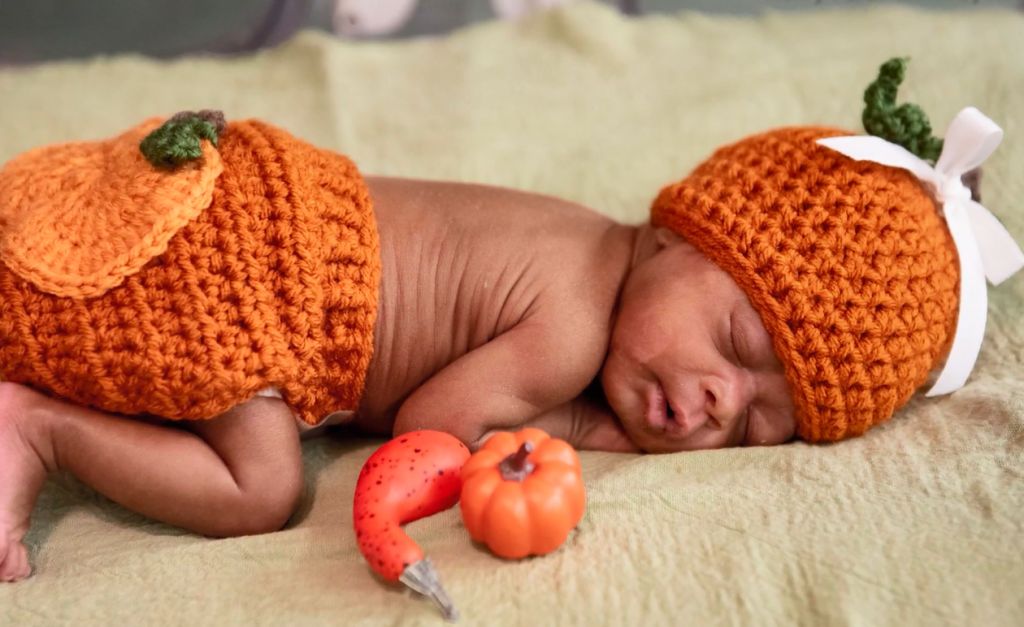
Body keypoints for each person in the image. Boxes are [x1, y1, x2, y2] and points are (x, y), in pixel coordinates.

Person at [0, 58, 1019, 582]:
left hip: (255, 210)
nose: (719, 398)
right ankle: (41, 426)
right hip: (252, 265)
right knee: (262, 489)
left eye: (758, 420)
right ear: (675, 236)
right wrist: (581, 431)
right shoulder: (573, 316)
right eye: (742, 344)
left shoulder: (581, 244)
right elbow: (430, 424)